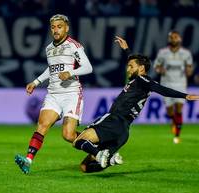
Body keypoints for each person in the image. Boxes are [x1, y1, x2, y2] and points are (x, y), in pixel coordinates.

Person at [73, 37, 199, 171]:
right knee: (84, 167)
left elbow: (161, 89)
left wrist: (185, 96)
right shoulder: (139, 81)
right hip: (123, 132)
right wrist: (127, 50)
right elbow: (136, 63)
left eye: (131, 67)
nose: (128, 70)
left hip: (113, 120)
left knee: (78, 141)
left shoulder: (142, 80)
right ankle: (111, 160)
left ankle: (100, 154)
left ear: (141, 68)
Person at [15, 14, 93, 174]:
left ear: (67, 28)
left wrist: (70, 72)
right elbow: (51, 69)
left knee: (68, 135)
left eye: (59, 26)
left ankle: (97, 149)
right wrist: (36, 82)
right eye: (53, 27)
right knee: (42, 124)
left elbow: (88, 67)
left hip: (71, 94)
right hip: (53, 94)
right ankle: (28, 161)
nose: (56, 30)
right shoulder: (49, 48)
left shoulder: (74, 46)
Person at [154, 31, 193, 144]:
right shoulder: (163, 53)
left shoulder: (186, 53)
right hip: (166, 84)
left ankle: (177, 135)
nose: (173, 39)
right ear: (169, 39)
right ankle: (173, 120)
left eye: (175, 37)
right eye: (171, 37)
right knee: (170, 111)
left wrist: (189, 71)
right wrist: (160, 70)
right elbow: (157, 66)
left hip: (180, 84)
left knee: (179, 108)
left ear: (179, 39)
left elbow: (189, 68)